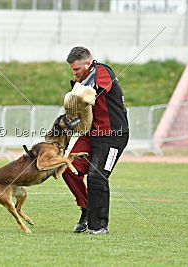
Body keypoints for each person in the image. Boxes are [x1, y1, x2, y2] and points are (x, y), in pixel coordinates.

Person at [62, 46, 129, 235]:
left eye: (76, 69)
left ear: (88, 63)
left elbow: (86, 94)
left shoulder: (102, 71)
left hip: (112, 135)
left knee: (97, 177)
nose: (75, 73)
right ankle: (86, 210)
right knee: (68, 169)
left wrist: (76, 86)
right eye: (72, 70)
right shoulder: (83, 80)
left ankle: (99, 226)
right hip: (91, 134)